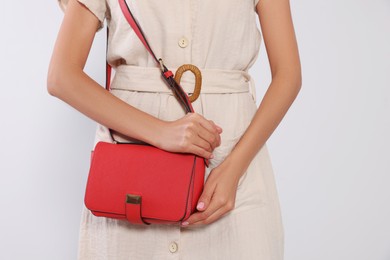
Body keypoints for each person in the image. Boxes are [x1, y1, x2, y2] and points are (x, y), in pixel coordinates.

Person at [47, 0, 301, 258]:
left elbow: (288, 75)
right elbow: (62, 76)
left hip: (235, 173)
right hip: (132, 170)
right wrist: (160, 132)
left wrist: (235, 169)